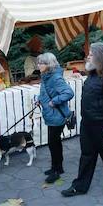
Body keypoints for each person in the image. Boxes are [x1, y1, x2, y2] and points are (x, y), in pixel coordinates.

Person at [62, 43, 103, 196]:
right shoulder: (93, 74)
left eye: (91, 54)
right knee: (86, 155)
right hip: (88, 124)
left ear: (100, 57)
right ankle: (80, 186)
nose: (88, 56)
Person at [37, 53, 75, 184]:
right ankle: (57, 167)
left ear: (49, 65)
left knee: (54, 144)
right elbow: (44, 92)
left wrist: (55, 101)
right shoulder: (46, 77)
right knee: (54, 143)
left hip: (57, 116)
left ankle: (56, 171)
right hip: (51, 115)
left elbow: (69, 93)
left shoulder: (55, 78)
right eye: (39, 62)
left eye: (41, 63)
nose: (38, 65)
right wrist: (39, 100)